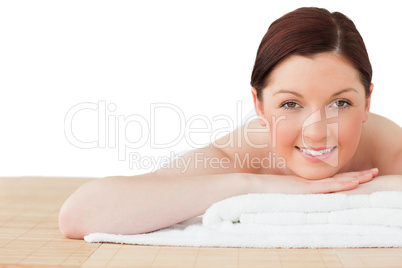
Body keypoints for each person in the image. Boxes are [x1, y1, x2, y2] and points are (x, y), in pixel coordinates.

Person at [59, 7, 402, 239]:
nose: (315, 132)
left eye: (340, 103)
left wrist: (336, 191)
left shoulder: (389, 149)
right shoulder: (236, 155)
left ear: (368, 101)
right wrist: (252, 185)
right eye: (290, 104)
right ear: (259, 105)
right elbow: (79, 214)